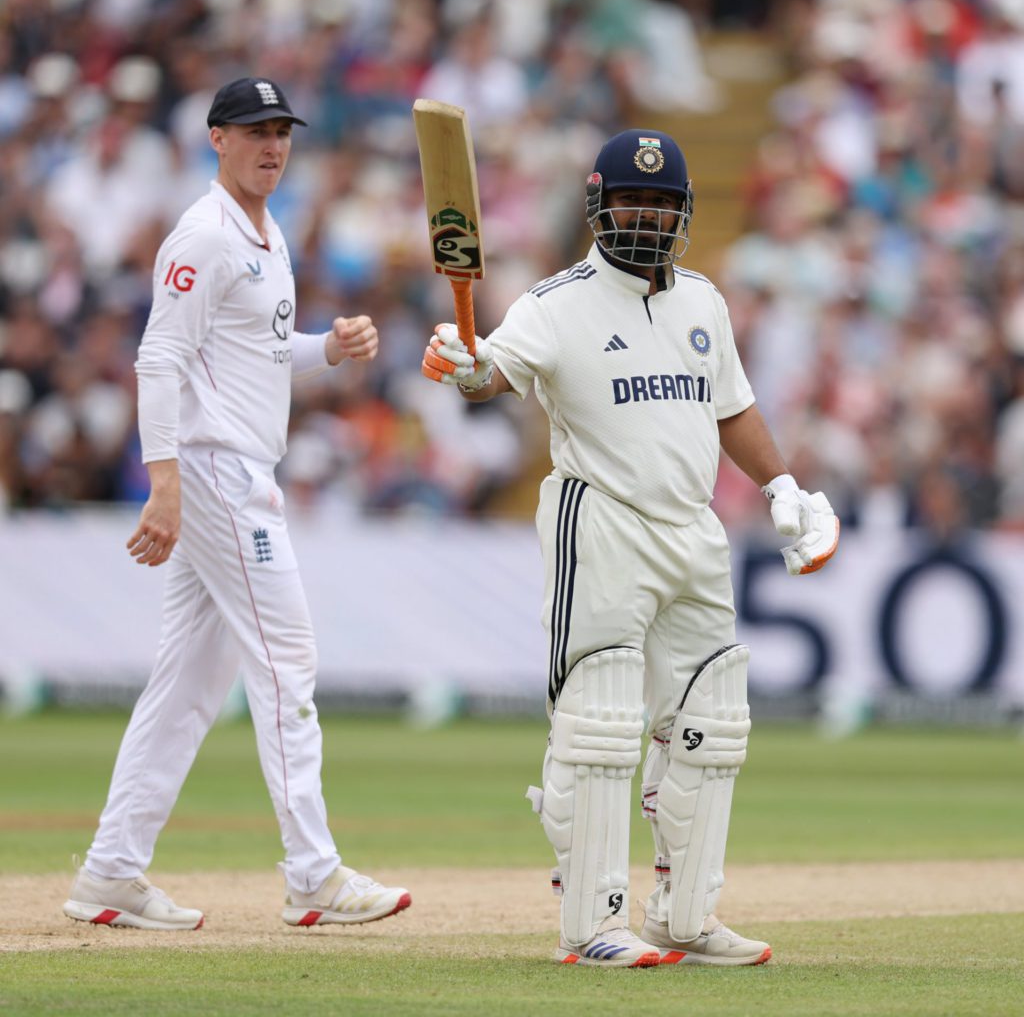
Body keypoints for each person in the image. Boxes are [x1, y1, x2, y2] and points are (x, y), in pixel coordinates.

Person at [422, 129, 839, 967]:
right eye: (628, 201)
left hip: (693, 528)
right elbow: (493, 371)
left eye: (659, 204)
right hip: (603, 519)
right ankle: (591, 926)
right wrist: (465, 364)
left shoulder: (704, 303)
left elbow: (732, 409)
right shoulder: (557, 301)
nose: (644, 217)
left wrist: (783, 486)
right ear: (598, 205)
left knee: (712, 722)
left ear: (682, 211)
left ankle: (682, 917)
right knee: (603, 721)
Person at [63, 77, 411, 931]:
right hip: (216, 474)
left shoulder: (267, 232)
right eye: (254, 131)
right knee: (287, 658)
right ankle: (313, 875)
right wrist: (165, 483)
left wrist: (327, 347)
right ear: (216, 139)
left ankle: (111, 870)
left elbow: (253, 349)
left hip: (243, 468)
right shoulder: (203, 236)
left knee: (188, 685)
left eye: (282, 131)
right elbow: (158, 359)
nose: (272, 145)